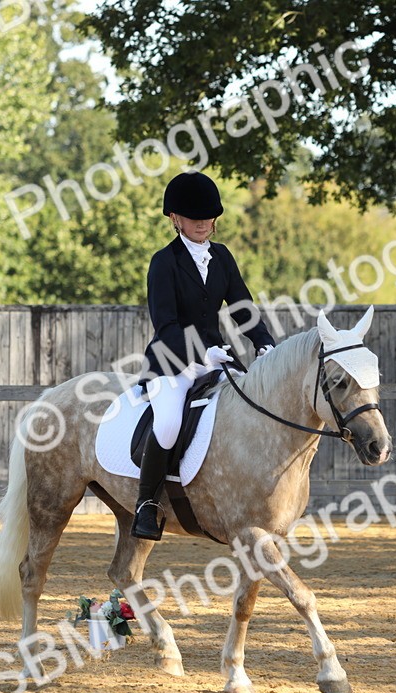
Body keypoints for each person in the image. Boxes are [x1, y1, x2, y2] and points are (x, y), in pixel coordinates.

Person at [132, 171, 276, 540]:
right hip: (171, 362)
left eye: (208, 216)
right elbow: (165, 325)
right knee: (166, 423)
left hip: (219, 358)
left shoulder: (222, 257)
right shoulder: (163, 262)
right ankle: (146, 505)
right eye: (194, 217)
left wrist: (264, 343)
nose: (202, 223)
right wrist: (201, 350)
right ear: (174, 218)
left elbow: (242, 307)